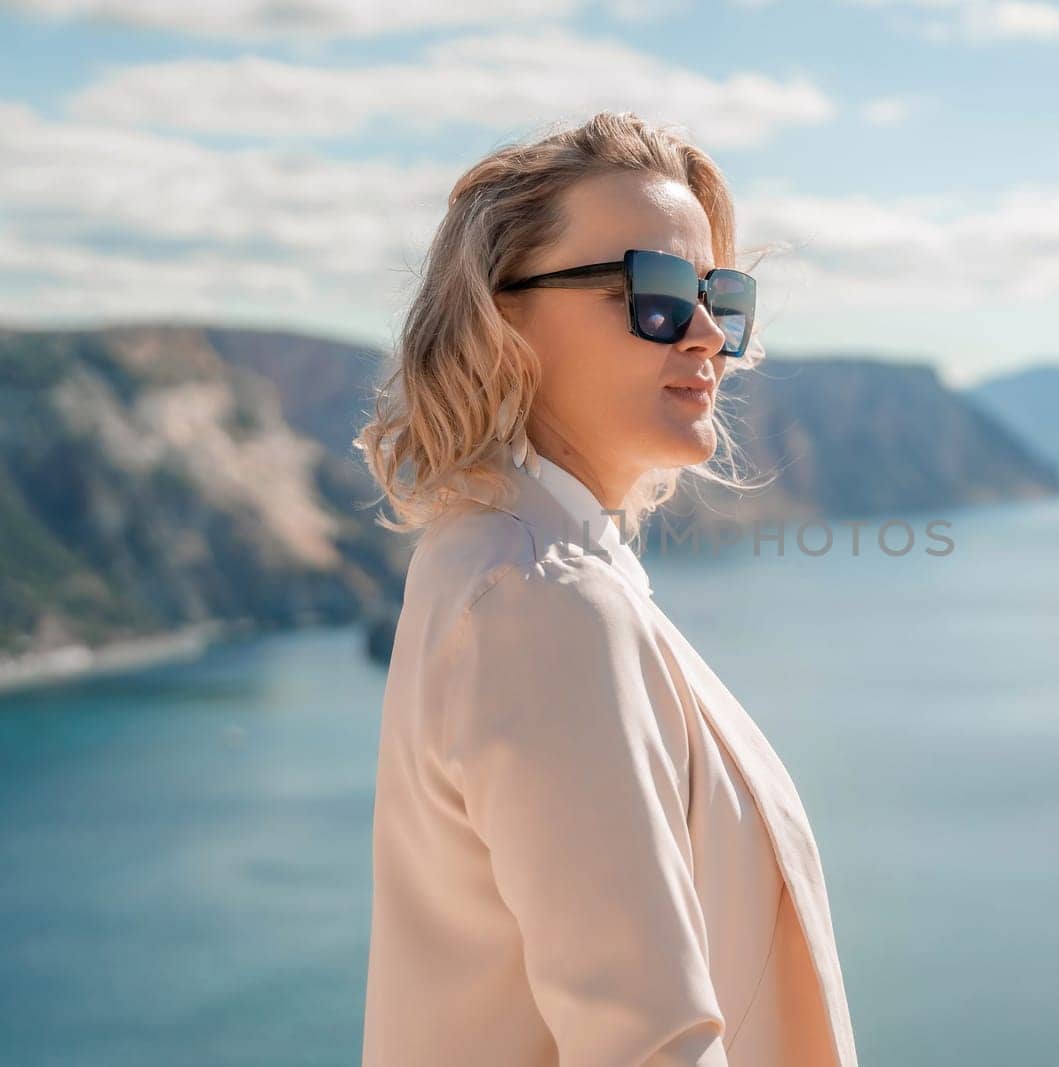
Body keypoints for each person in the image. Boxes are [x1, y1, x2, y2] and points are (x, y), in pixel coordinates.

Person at [355, 110, 859, 1067]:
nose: (710, 334)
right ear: (501, 314)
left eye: (719, 293)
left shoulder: (496, 558)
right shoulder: (545, 596)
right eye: (657, 293)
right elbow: (650, 1047)